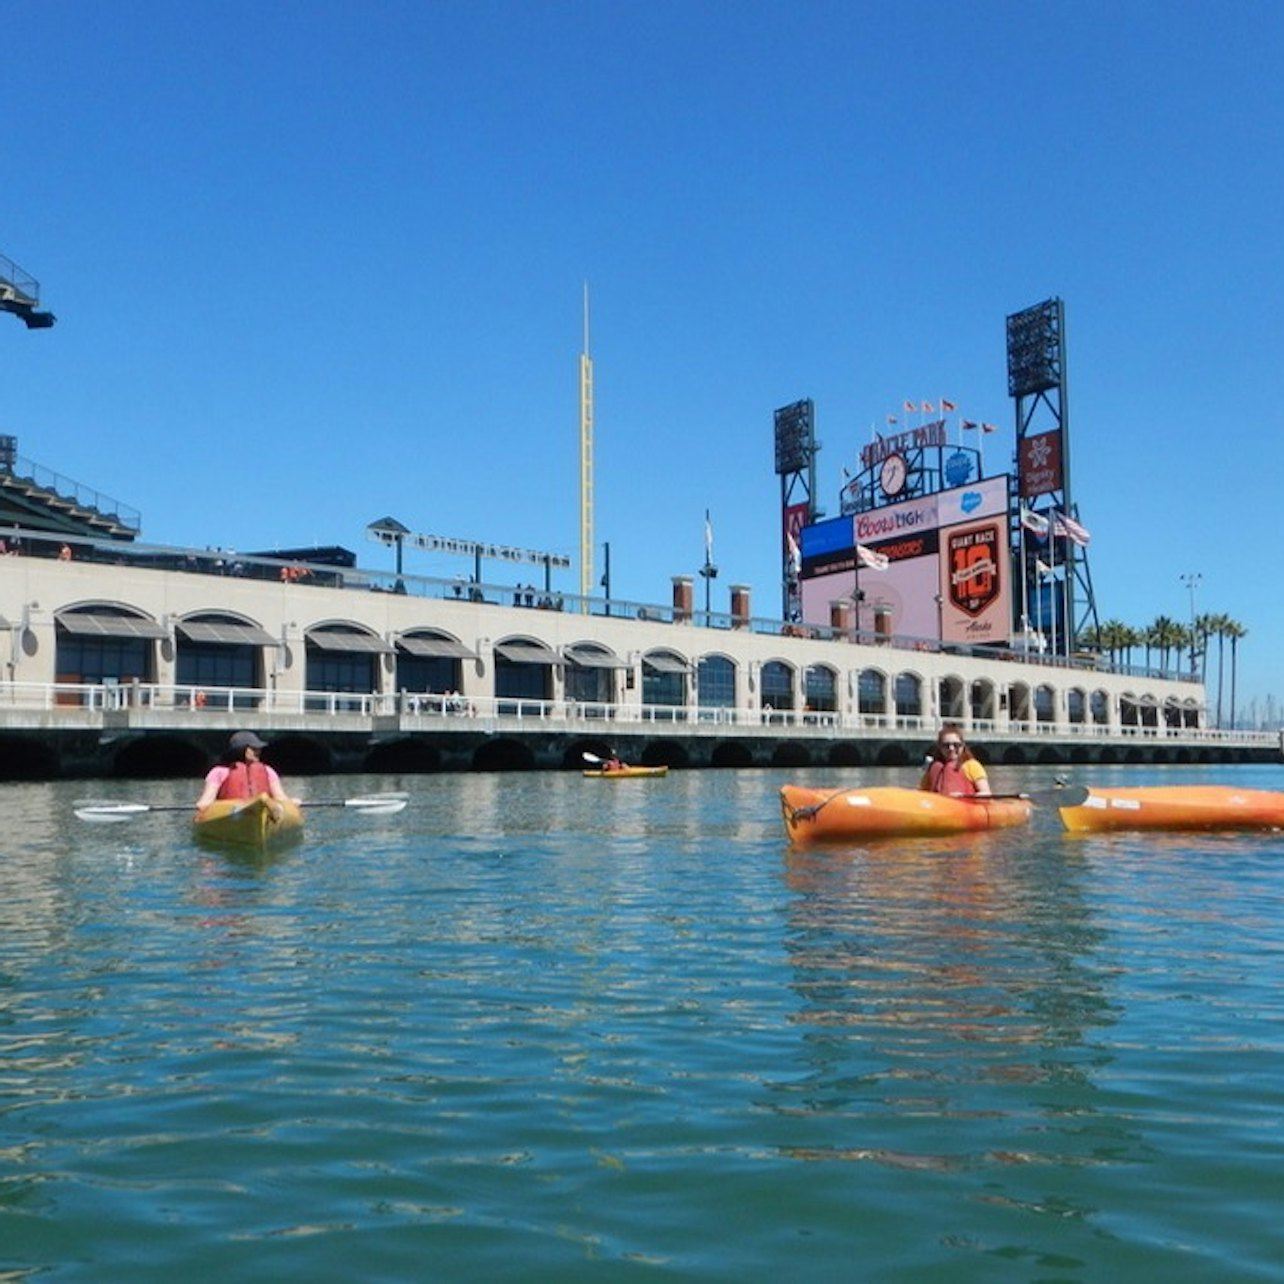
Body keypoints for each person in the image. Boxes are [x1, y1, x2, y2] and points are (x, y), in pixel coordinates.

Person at [195, 731, 299, 815]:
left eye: (259, 748)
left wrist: (291, 803)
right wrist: (203, 805)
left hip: (262, 811)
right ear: (240, 750)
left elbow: (280, 797)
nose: (258, 751)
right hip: (231, 815)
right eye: (253, 749)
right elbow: (206, 801)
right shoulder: (218, 772)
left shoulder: (268, 771)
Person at [920, 724, 992, 796]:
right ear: (939, 747)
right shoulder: (933, 767)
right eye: (946, 745)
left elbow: (986, 793)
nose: (951, 748)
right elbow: (922, 792)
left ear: (963, 746)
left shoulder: (972, 766)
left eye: (956, 745)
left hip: (965, 804)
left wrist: (963, 796)